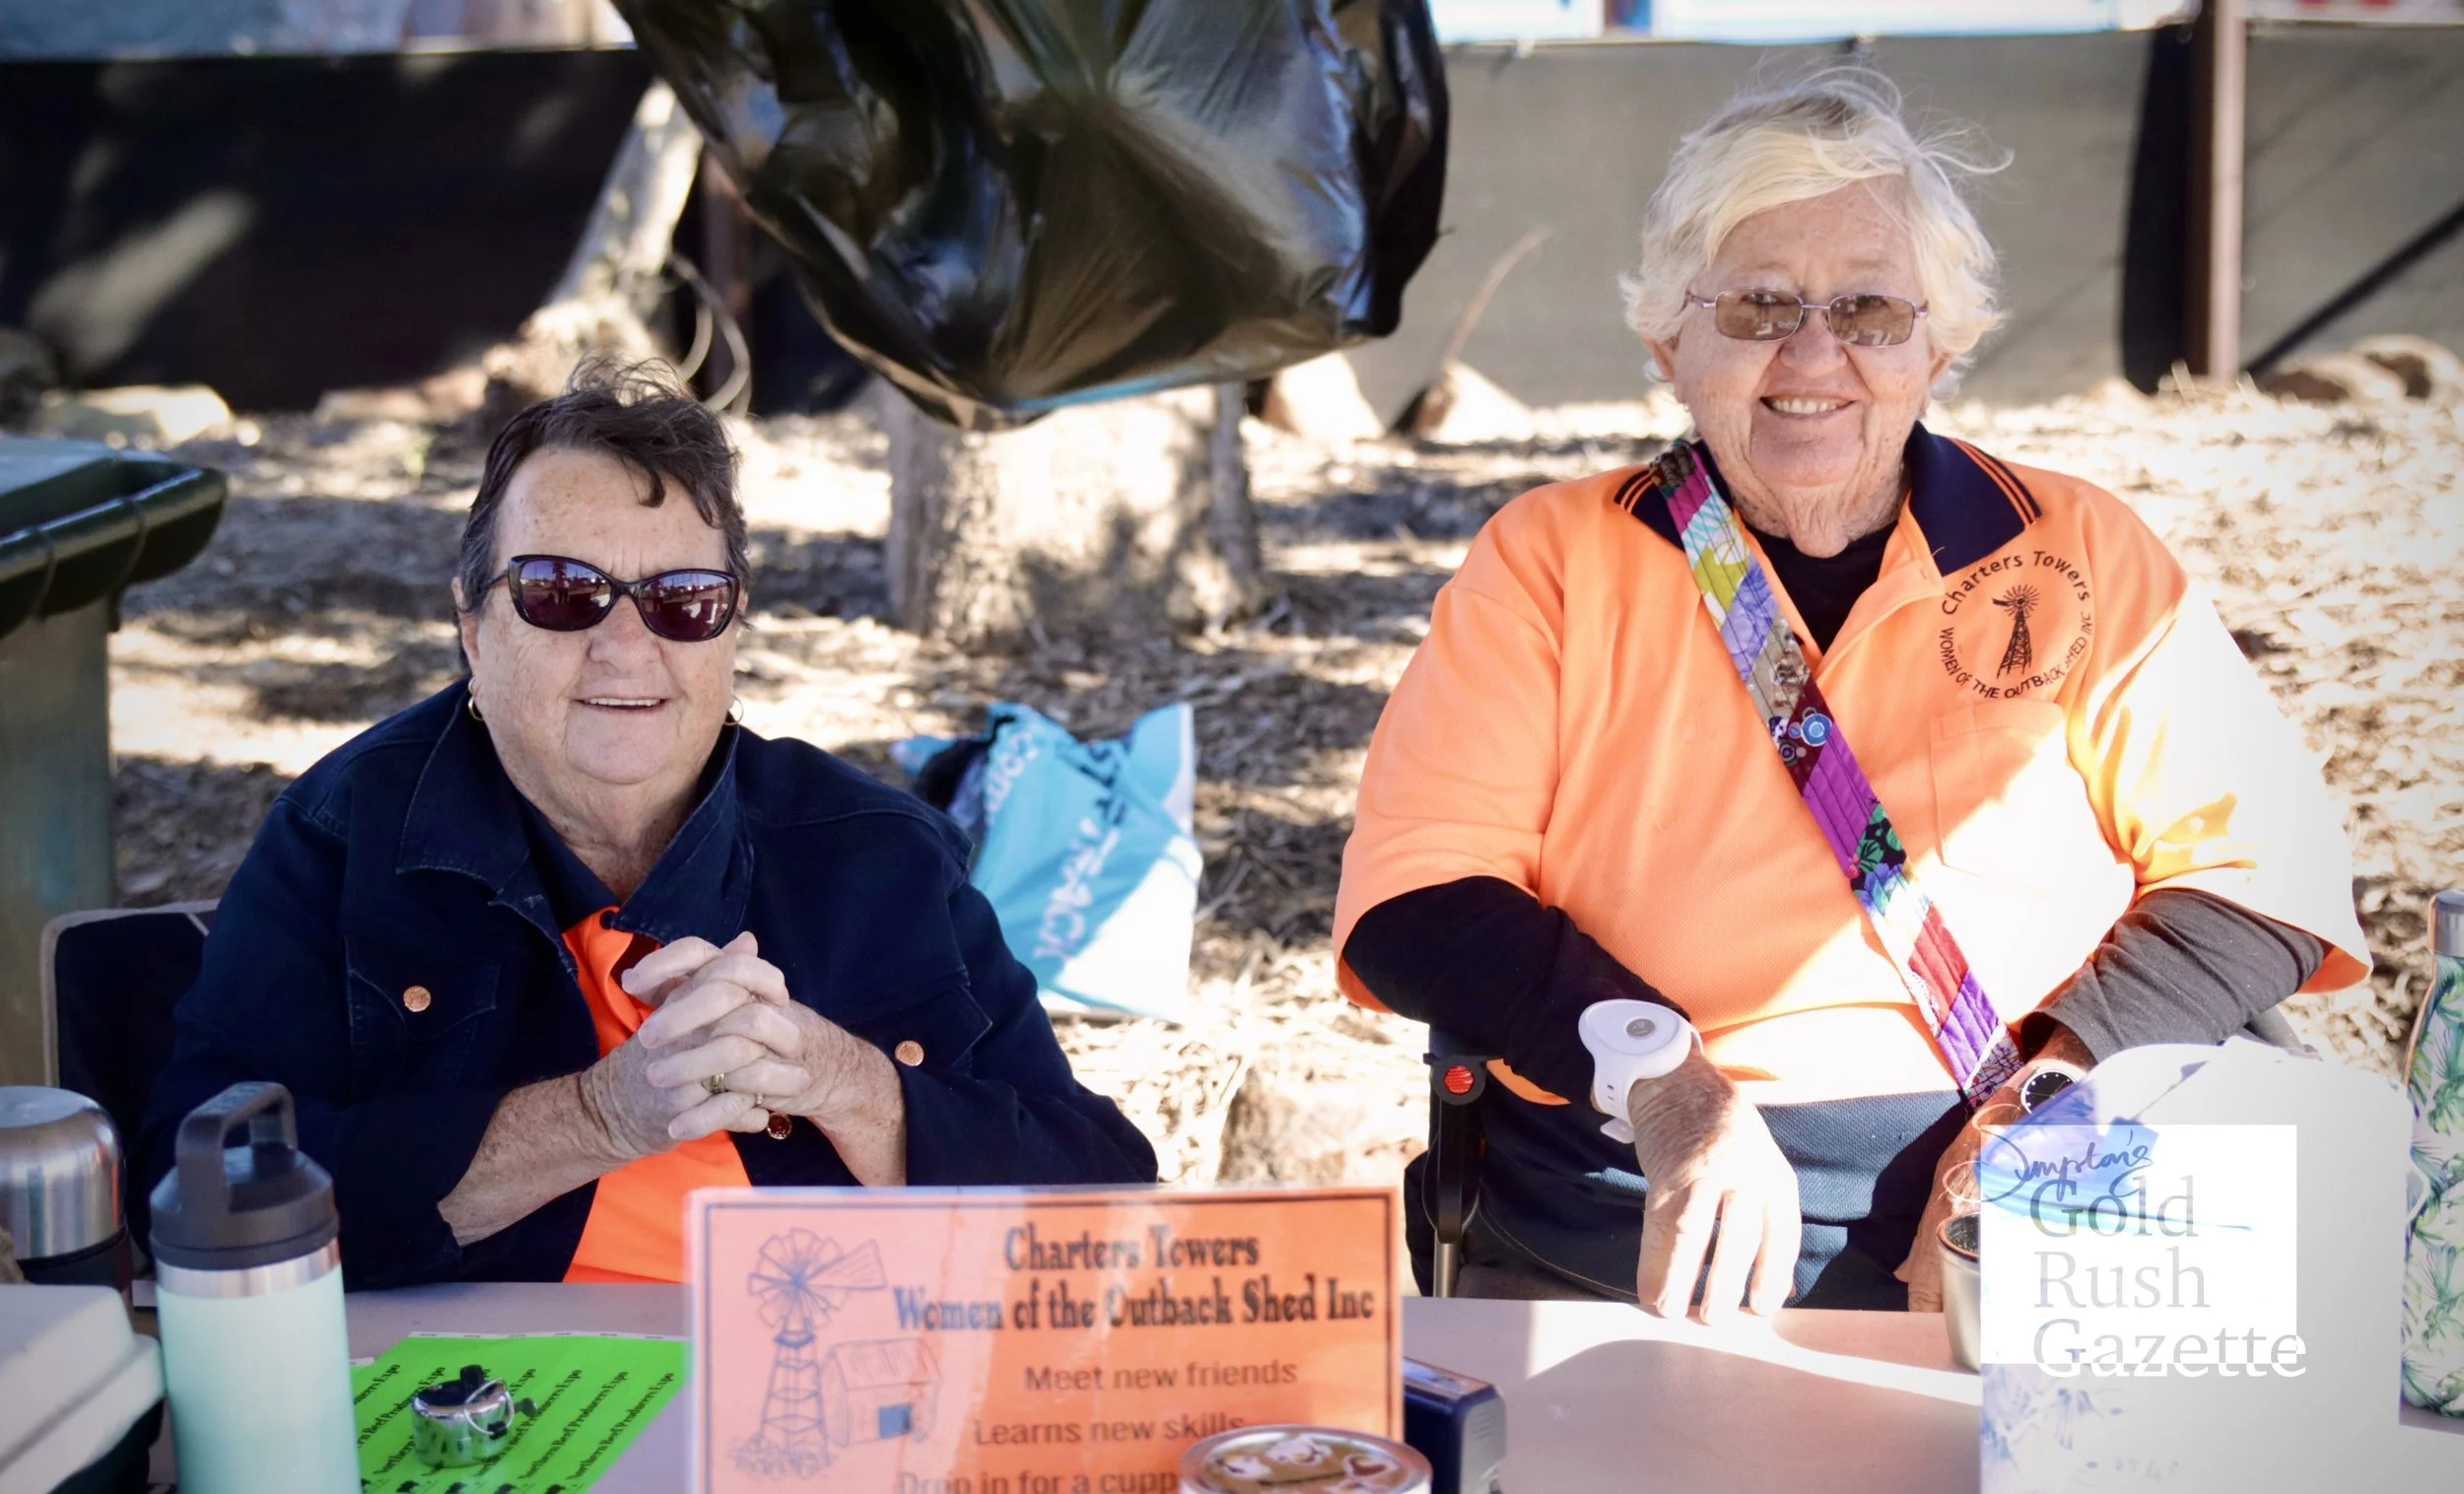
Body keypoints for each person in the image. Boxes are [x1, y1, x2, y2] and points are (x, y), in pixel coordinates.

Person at [1335, 70, 2368, 1318]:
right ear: (1670, 343)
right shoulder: (1548, 559)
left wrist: (2044, 1117)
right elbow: (1415, 895)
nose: (1812, 354)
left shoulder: (2076, 546)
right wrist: (1668, 1089)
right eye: (1758, 304)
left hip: (2049, 1160)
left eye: (1870, 308)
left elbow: (2261, 875)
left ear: (1940, 340)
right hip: (1643, 1194)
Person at [140, 365, 1155, 1288]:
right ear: (471, 624)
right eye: (562, 594)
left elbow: (1105, 1198)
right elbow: (191, 1188)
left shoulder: (876, 851)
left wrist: (851, 1086)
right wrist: (596, 1117)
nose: (625, 648)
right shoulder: (341, 837)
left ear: (731, 629)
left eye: (682, 601)